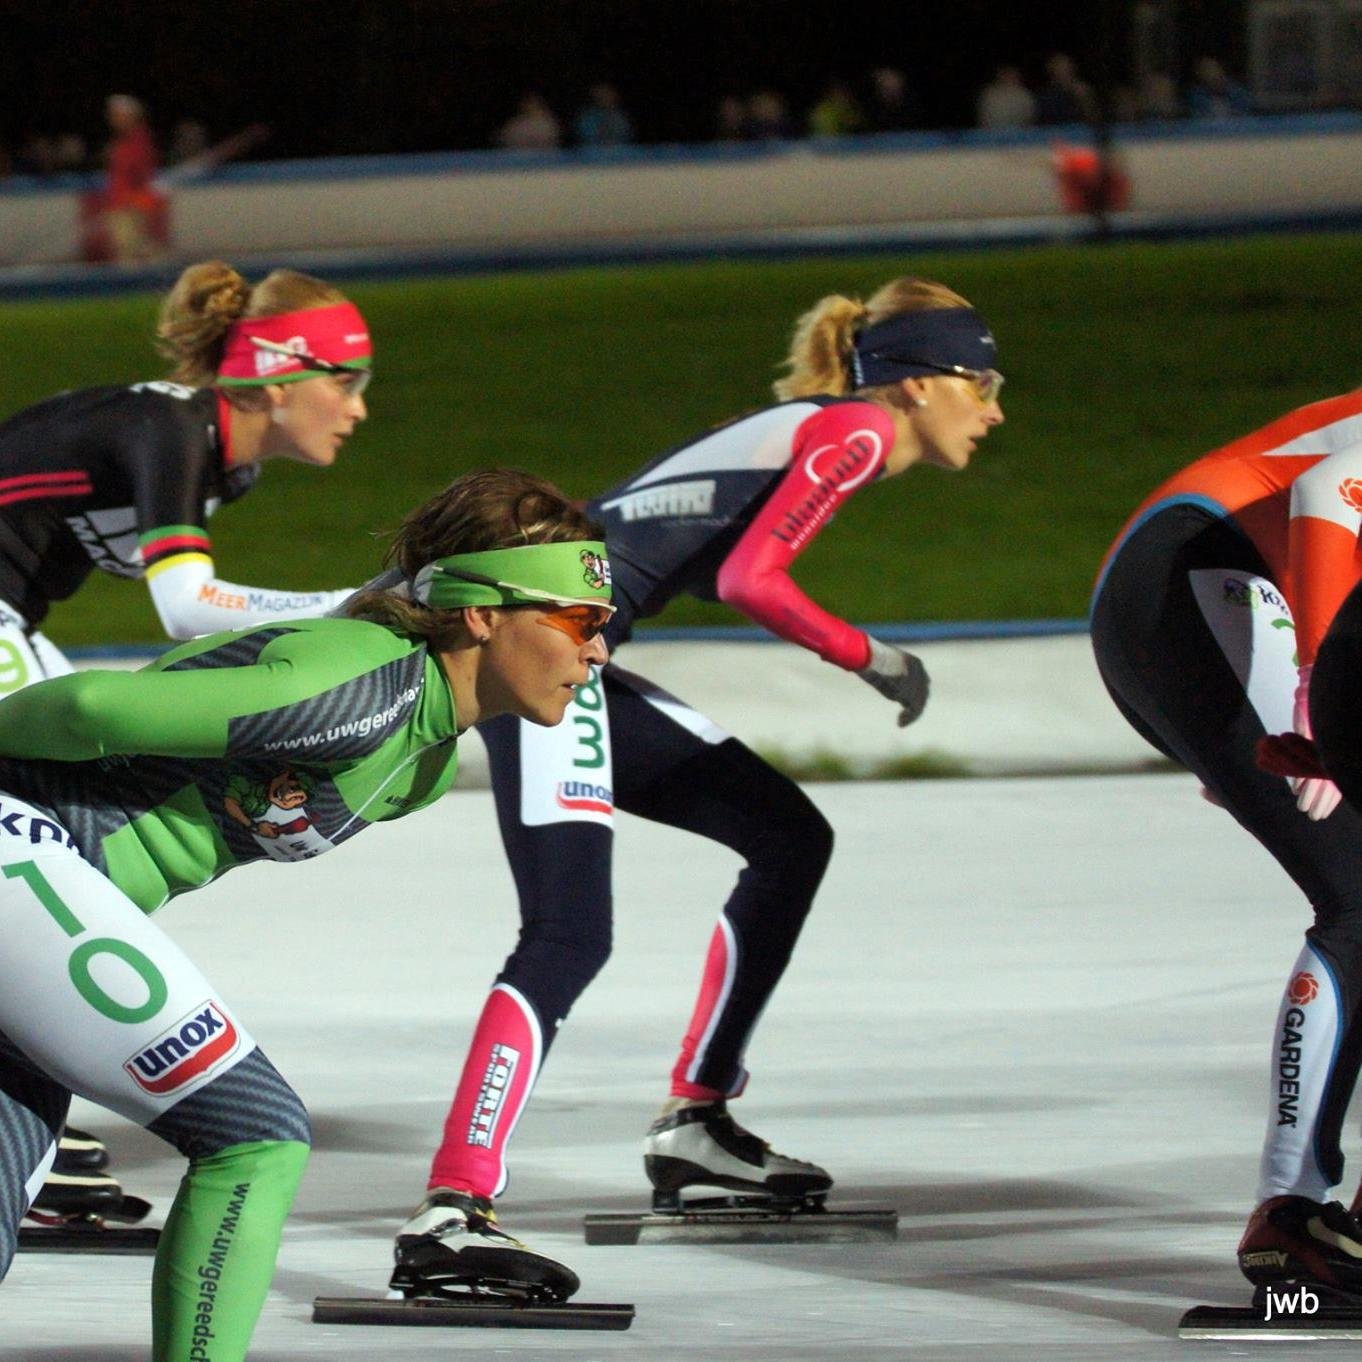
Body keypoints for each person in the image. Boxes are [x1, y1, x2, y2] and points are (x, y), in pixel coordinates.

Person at [392, 278, 1005, 1289]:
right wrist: (875, 658)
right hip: (551, 640)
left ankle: (698, 1119)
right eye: (981, 381)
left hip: (573, 641)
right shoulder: (852, 430)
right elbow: (750, 579)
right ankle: (453, 1207)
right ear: (920, 382)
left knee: (789, 836)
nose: (993, 408)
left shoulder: (824, 423)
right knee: (567, 933)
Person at [0, 468, 613, 1360]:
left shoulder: (423, 767)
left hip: (44, 904)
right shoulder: (364, 687)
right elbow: (88, 706)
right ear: (481, 613)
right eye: (579, 620)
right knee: (256, 1134)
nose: (599, 653)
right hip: (22, 855)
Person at [0, 258, 370, 1218]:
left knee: (61, 832)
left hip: (13, 618)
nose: (360, 407)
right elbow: (184, 604)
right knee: (47, 839)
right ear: (280, 376)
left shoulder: (216, 452)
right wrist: (357, 608)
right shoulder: (173, 428)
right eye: (348, 379)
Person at [1091, 390, 1362, 1302]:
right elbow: (1329, 491)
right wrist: (1316, 695)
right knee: (1360, 896)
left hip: (1217, 598)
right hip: (1194, 580)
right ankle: (1293, 1215)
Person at [976, 65, 1037, 130]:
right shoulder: (989, 93)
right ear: (999, 76)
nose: (1009, 77)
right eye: (1006, 74)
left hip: (1019, 133)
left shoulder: (1024, 94)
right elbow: (983, 116)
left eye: (1012, 74)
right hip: (993, 133)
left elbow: (1030, 116)